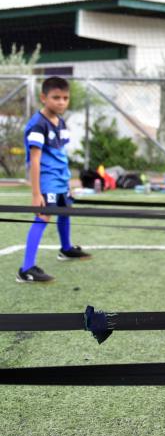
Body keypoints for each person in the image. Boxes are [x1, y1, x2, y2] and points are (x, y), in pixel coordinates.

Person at [18, 76, 91, 283]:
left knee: (65, 211)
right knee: (43, 218)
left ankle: (66, 249)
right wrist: (36, 194)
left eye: (65, 98)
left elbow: (61, 155)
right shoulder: (38, 125)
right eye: (56, 97)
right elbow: (34, 160)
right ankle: (26, 269)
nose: (61, 102)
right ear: (43, 98)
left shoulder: (61, 122)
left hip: (61, 180)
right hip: (47, 182)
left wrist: (67, 182)